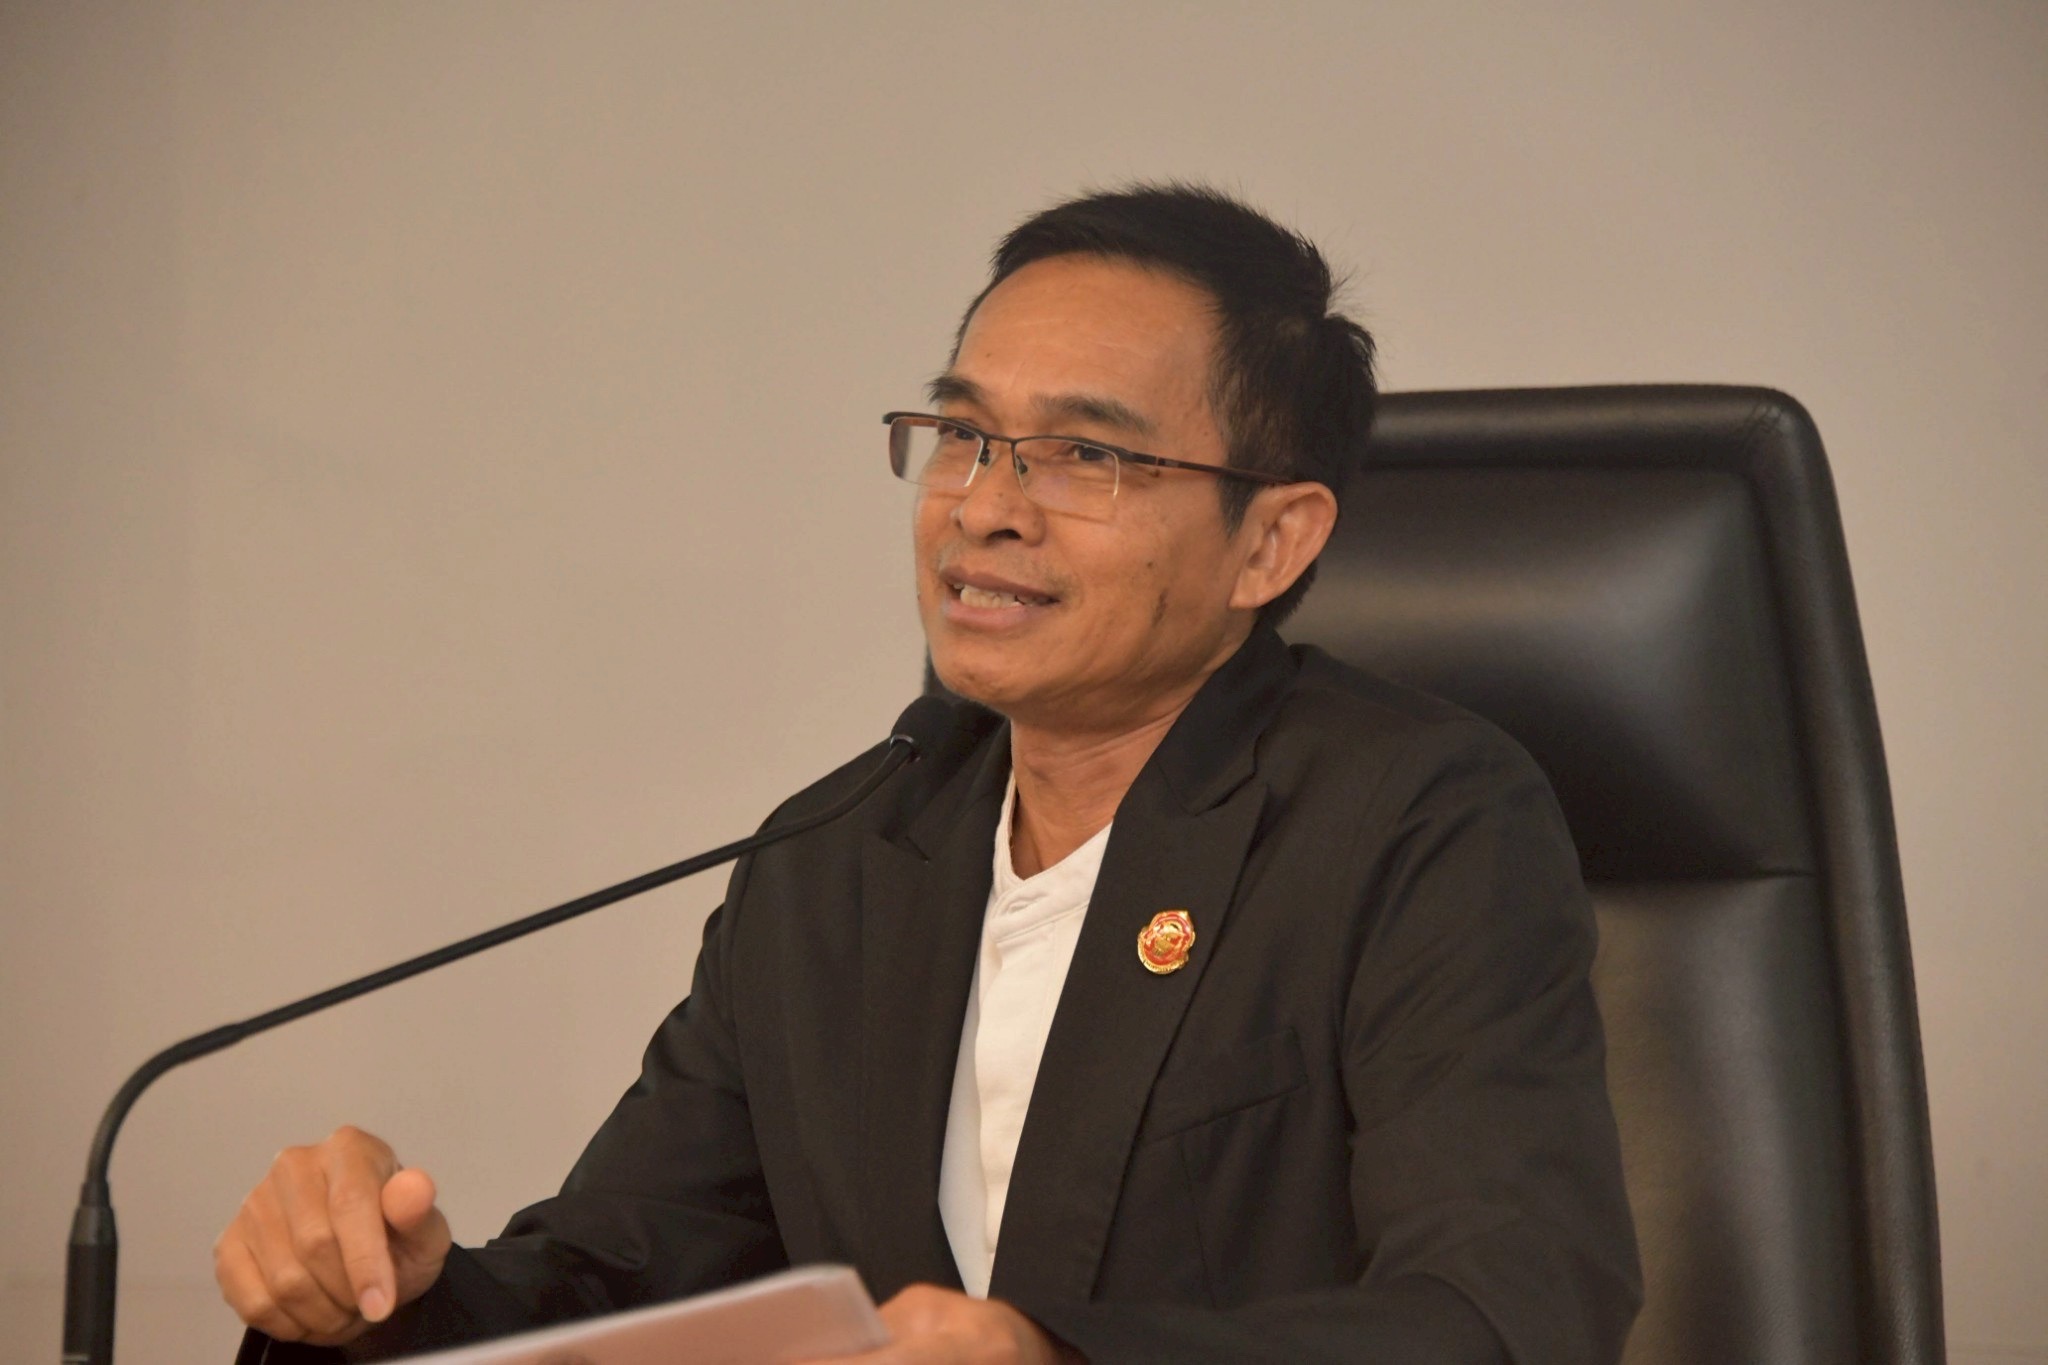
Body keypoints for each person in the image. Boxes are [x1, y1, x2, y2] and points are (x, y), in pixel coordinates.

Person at [218, 184, 1641, 1364]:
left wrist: (1049, 1356)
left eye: (1082, 454)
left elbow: (1507, 1315)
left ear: (1270, 543)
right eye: (962, 435)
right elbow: (625, 1279)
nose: (985, 507)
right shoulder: (837, 856)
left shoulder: (1416, 822)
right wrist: (389, 1295)